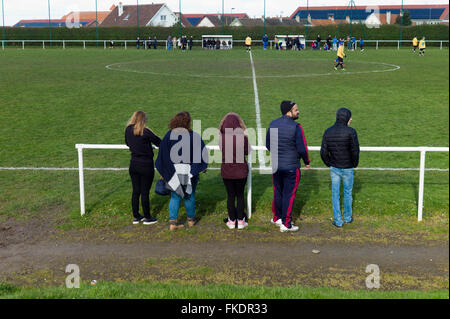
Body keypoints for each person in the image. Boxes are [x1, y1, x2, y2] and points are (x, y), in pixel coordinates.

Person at [155, 112, 208, 230]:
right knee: (189, 195)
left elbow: (162, 156)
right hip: (189, 171)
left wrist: (165, 172)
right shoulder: (194, 136)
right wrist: (201, 167)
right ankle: (191, 221)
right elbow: (202, 153)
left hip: (173, 171)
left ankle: (173, 223)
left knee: (175, 197)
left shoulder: (168, 135)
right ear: (188, 122)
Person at [266, 101, 310, 232]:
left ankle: (277, 217)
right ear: (288, 111)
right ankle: (286, 223)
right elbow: (302, 148)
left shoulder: (273, 124)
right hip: (291, 166)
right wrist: (306, 161)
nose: (298, 111)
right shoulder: (296, 127)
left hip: (276, 165)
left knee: (278, 191)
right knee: (288, 194)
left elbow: (268, 144)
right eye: (296, 109)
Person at [320, 108, 359, 228]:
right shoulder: (351, 132)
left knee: (335, 194)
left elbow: (323, 152)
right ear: (346, 117)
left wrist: (329, 163)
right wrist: (354, 163)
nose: (351, 119)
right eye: (350, 117)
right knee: (348, 193)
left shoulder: (328, 131)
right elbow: (355, 151)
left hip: (335, 168)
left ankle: (338, 221)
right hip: (347, 168)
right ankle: (347, 218)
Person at [125, 111, 161, 225]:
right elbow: (159, 142)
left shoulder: (128, 130)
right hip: (146, 165)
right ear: (144, 120)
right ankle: (147, 217)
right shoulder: (146, 131)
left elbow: (127, 143)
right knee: (144, 192)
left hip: (133, 164)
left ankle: (136, 216)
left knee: (136, 191)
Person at [219, 113, 251, 230]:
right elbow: (248, 151)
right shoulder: (242, 137)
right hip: (241, 171)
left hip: (227, 172)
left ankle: (231, 221)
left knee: (231, 196)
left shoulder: (222, 138)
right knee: (240, 195)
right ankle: (241, 221)